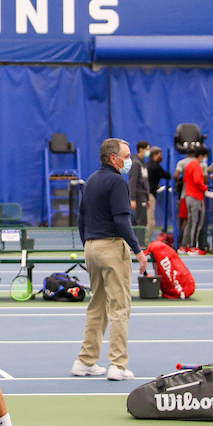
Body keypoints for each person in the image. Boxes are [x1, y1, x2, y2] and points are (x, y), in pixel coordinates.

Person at [72, 138, 149, 382]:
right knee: (120, 307)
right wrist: (137, 249)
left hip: (92, 248)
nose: (129, 161)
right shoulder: (117, 181)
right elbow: (122, 221)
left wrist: (88, 243)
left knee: (97, 305)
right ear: (113, 158)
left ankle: (85, 361)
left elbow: (81, 218)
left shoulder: (92, 180)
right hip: (113, 247)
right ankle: (118, 364)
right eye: (126, 156)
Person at [181, 147, 208, 254]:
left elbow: (186, 179)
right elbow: (197, 181)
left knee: (190, 222)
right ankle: (193, 246)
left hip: (189, 196)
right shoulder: (196, 166)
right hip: (196, 197)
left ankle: (184, 246)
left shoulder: (189, 165)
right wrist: (204, 188)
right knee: (196, 223)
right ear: (201, 156)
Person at [145, 147, 171, 235]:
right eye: (160, 155)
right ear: (155, 155)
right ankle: (146, 242)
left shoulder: (147, 165)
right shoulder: (155, 167)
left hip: (145, 194)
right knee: (150, 220)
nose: (162, 157)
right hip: (150, 195)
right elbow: (167, 175)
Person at [129, 140, 150, 230]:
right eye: (147, 149)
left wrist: (147, 197)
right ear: (141, 149)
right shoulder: (135, 163)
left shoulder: (143, 163)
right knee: (140, 221)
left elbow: (145, 180)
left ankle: (138, 242)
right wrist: (132, 198)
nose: (148, 152)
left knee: (143, 220)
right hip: (138, 195)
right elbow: (132, 181)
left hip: (143, 195)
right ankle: (139, 243)